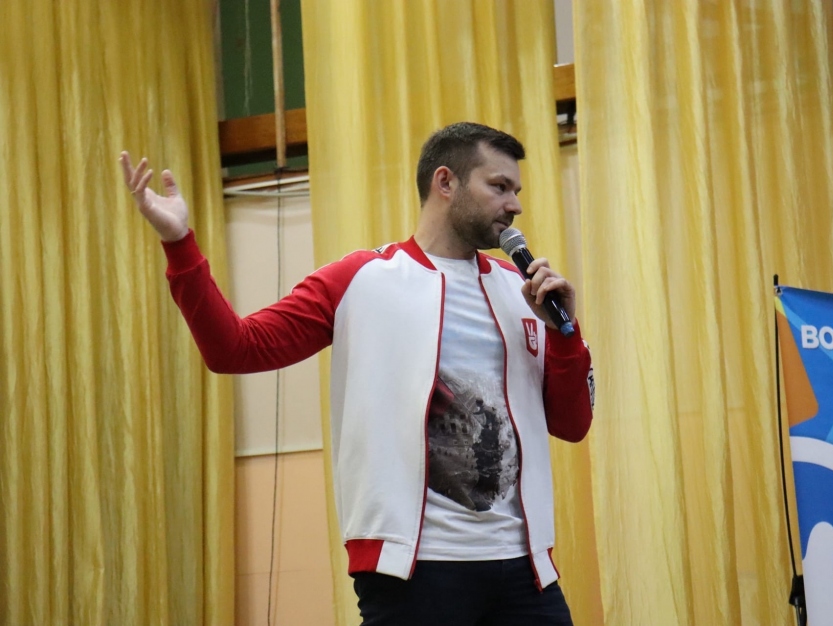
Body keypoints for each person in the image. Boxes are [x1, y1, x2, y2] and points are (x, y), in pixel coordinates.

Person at [121, 122, 595, 625]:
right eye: (499, 187)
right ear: (446, 182)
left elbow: (572, 425)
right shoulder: (362, 280)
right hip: (414, 571)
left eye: (516, 190)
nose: (515, 205)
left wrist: (564, 334)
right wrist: (179, 242)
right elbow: (235, 350)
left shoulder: (521, 292)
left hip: (524, 571)